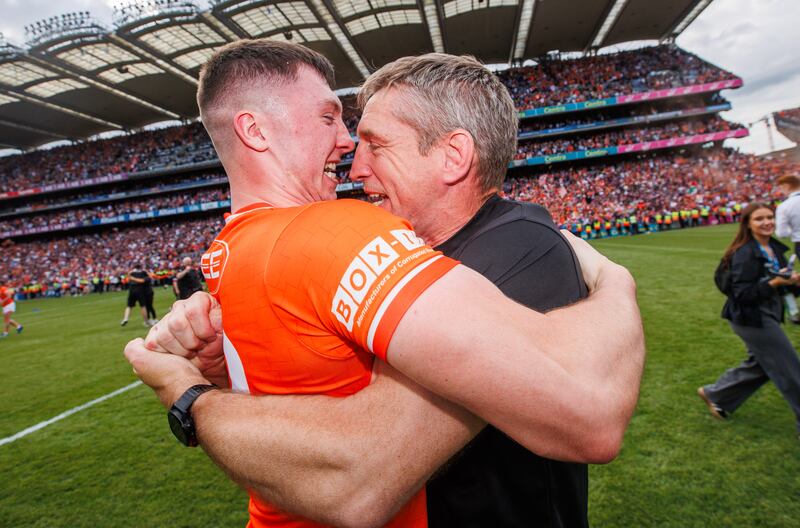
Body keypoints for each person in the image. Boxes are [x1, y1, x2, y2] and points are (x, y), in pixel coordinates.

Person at [125, 40, 645, 528]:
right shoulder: (338, 241)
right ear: (255, 131)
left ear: (453, 156)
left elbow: (589, 416)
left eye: (374, 143)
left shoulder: (514, 249)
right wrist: (215, 375)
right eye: (332, 119)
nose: (354, 161)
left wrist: (616, 283)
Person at [698, 202, 800, 438]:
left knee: (764, 365)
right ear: (748, 224)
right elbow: (742, 294)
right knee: (789, 368)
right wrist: (775, 283)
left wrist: (792, 283)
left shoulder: (774, 249)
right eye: (759, 219)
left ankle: (717, 395)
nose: (766, 222)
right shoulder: (744, 254)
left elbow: (782, 286)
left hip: (767, 312)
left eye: (769, 217)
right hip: (750, 318)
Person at [775, 174, 800, 260]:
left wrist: (794, 229)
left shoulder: (784, 206)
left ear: (786, 186)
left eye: (781, 188)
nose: (781, 192)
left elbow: (781, 233)